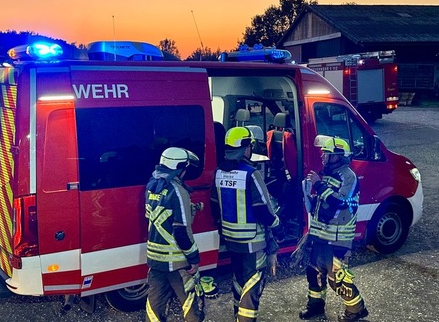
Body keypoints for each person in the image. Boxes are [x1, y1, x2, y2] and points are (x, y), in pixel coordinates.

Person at [211, 126, 283, 322]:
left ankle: (237, 314)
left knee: (239, 279)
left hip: (231, 240)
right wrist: (278, 226)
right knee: (253, 282)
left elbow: (214, 207)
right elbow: (262, 209)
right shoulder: (251, 174)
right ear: (244, 148)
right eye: (250, 146)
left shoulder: (218, 173)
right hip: (253, 242)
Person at [298, 137, 368, 322]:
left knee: (338, 279)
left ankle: (356, 310)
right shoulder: (328, 174)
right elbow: (323, 204)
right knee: (314, 272)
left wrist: (318, 185)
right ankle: (315, 305)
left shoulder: (349, 176)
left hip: (338, 239)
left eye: (326, 154)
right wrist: (309, 196)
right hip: (320, 235)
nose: (322, 157)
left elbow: (341, 202)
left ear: (337, 156)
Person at [144, 147, 204, 322]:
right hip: (177, 261)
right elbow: (181, 230)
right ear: (179, 168)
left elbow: (158, 216)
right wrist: (193, 258)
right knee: (191, 304)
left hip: (155, 258)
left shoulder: (152, 186)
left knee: (154, 307)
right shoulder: (178, 191)